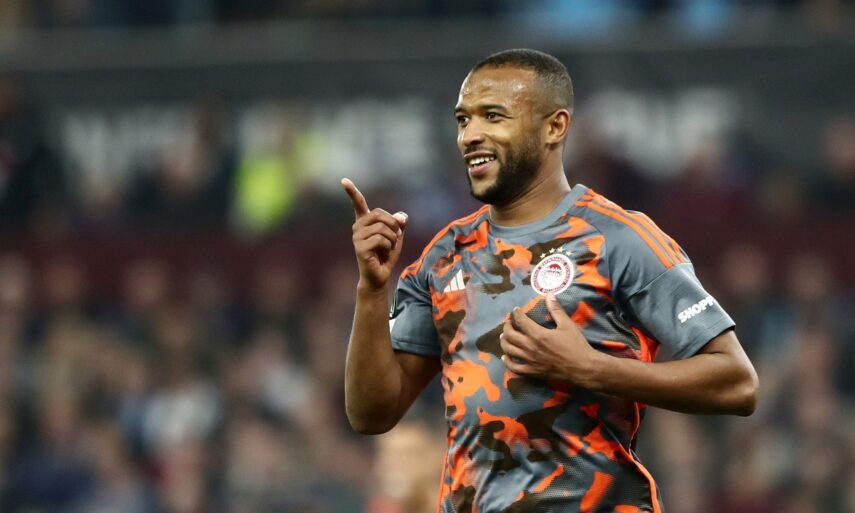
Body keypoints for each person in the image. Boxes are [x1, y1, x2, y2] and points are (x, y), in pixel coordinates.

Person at [341, 49, 758, 513]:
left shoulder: (618, 238)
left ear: (554, 127)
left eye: (492, 116)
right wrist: (371, 291)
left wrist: (592, 368)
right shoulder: (443, 257)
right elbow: (370, 414)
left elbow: (737, 382)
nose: (469, 135)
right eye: (463, 120)